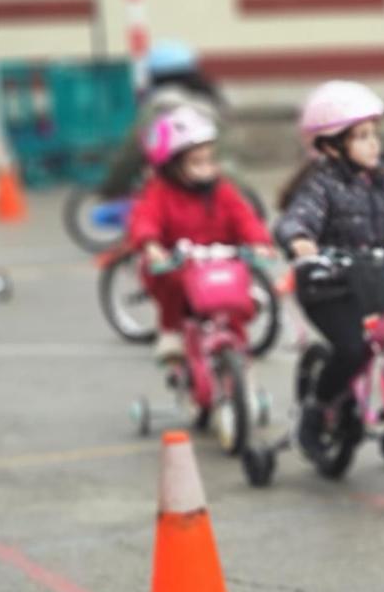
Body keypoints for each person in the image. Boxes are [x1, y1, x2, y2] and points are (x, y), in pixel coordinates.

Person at [274, 80, 384, 458]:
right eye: (361, 137)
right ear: (329, 145)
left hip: (377, 281)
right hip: (330, 287)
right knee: (353, 349)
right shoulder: (320, 185)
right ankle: (317, 408)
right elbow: (297, 220)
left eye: (373, 134)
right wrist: (300, 242)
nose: (374, 144)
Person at [124, 106, 272, 363]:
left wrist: (258, 242)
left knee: (235, 304)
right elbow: (144, 219)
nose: (206, 169)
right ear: (172, 166)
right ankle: (170, 331)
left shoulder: (222, 190)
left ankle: (242, 377)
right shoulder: (160, 193)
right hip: (179, 262)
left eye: (209, 161)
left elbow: (243, 217)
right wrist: (151, 245)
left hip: (219, 260)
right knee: (172, 283)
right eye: (196, 163)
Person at [99, 40, 230, 200]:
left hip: (176, 189)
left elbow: (131, 153)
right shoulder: (210, 104)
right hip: (224, 183)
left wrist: (112, 187)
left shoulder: (157, 107)